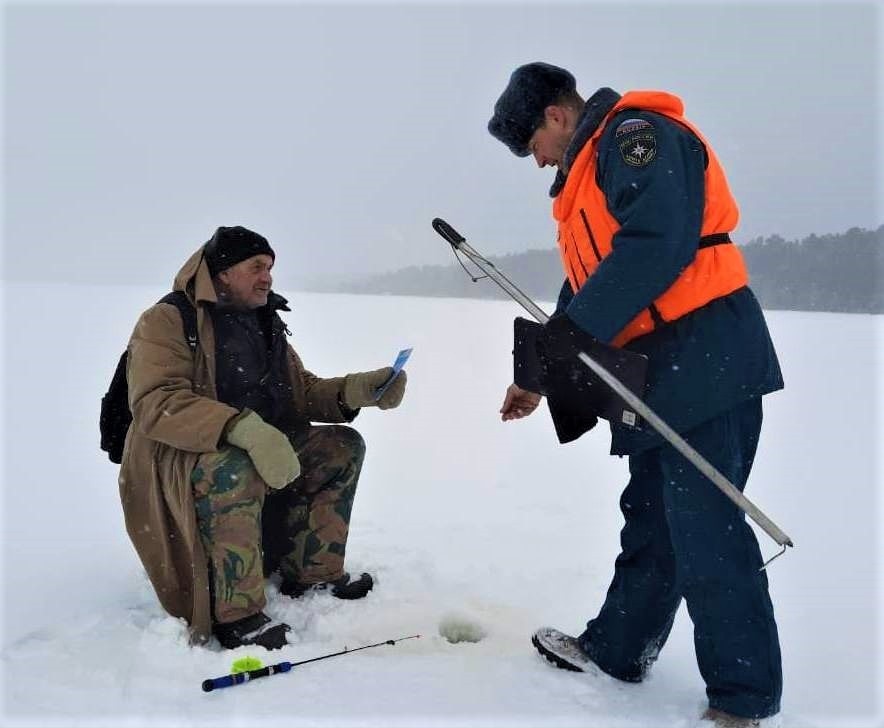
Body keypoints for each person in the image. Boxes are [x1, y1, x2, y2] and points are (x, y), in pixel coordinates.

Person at [488, 63, 784, 727]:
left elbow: (657, 245)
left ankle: (743, 699)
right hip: (655, 371)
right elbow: (588, 286)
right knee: (650, 517)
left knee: (707, 529)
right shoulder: (587, 179)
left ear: (557, 117)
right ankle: (618, 650)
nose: (535, 163)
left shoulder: (636, 138)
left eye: (529, 145)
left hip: (708, 355)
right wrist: (536, 375)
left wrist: (575, 333)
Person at [119, 225, 407, 650]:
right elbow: (156, 402)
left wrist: (356, 390)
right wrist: (241, 428)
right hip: (178, 459)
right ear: (221, 274)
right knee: (235, 467)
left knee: (340, 448)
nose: (267, 276)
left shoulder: (263, 320)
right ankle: (237, 614)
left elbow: (299, 391)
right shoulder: (166, 320)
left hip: (252, 444)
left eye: (270, 267)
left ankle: (312, 573)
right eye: (256, 266)